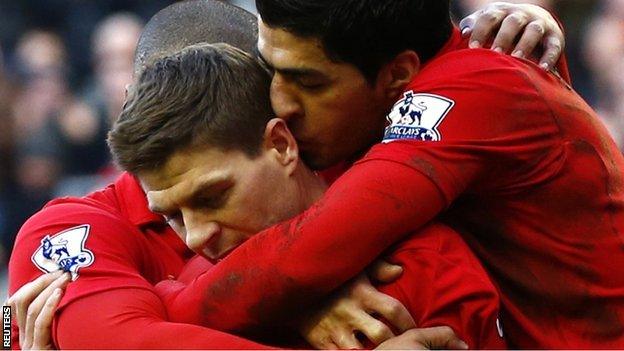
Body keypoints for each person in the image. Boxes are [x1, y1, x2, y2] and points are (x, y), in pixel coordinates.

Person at [7, 0, 567, 349]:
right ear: (136, 105)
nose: (197, 234)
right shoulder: (73, 228)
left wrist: (514, 38)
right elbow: (116, 340)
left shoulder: (379, 196)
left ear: (272, 126)